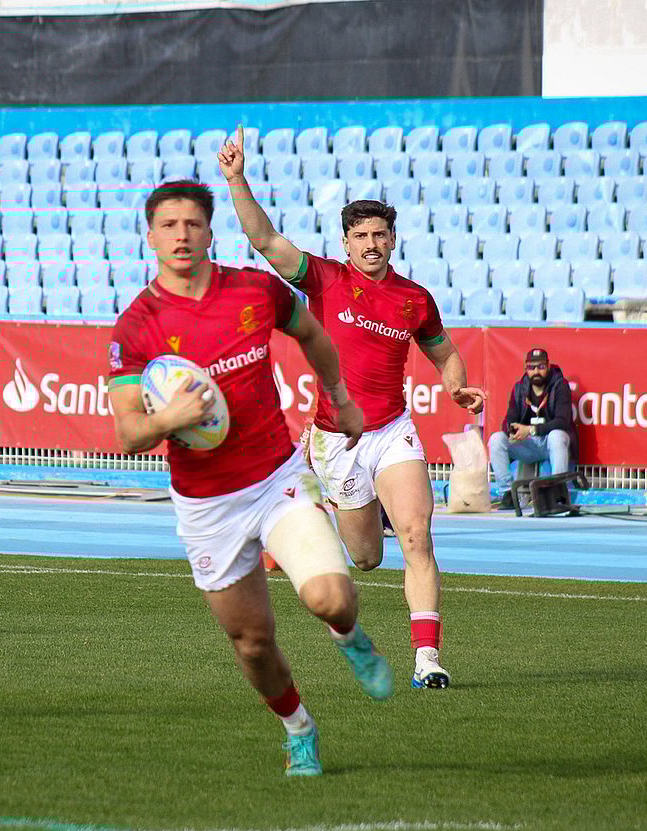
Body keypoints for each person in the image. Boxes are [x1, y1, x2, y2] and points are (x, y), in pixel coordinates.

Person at [107, 180, 393, 778]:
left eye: (192, 223)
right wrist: (169, 419)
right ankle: (299, 730)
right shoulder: (137, 325)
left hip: (276, 479)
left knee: (329, 597)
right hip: (206, 506)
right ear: (151, 234)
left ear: (210, 231)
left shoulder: (254, 290)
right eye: (168, 225)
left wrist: (339, 397)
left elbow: (314, 334)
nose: (181, 235)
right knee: (253, 643)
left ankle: (349, 634)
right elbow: (130, 432)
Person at [218, 126, 485, 691]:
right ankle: (302, 509)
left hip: (393, 431)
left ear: (394, 240)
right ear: (346, 243)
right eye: (361, 235)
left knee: (416, 534)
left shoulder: (415, 299)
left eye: (380, 235)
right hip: (335, 440)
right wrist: (237, 178)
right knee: (366, 557)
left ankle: (427, 659)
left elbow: (446, 353)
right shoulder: (324, 279)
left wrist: (457, 386)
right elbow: (264, 239)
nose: (371, 244)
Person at [488, 347, 578, 511]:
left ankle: (558, 493)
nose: (536, 371)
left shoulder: (560, 385)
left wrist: (530, 430)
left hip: (549, 443)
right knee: (496, 439)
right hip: (527, 445)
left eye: (541, 367)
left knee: (557, 436)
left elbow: (562, 421)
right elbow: (508, 419)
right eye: (531, 367)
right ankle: (507, 494)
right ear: (526, 368)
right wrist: (512, 430)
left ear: (548, 366)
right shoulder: (520, 388)